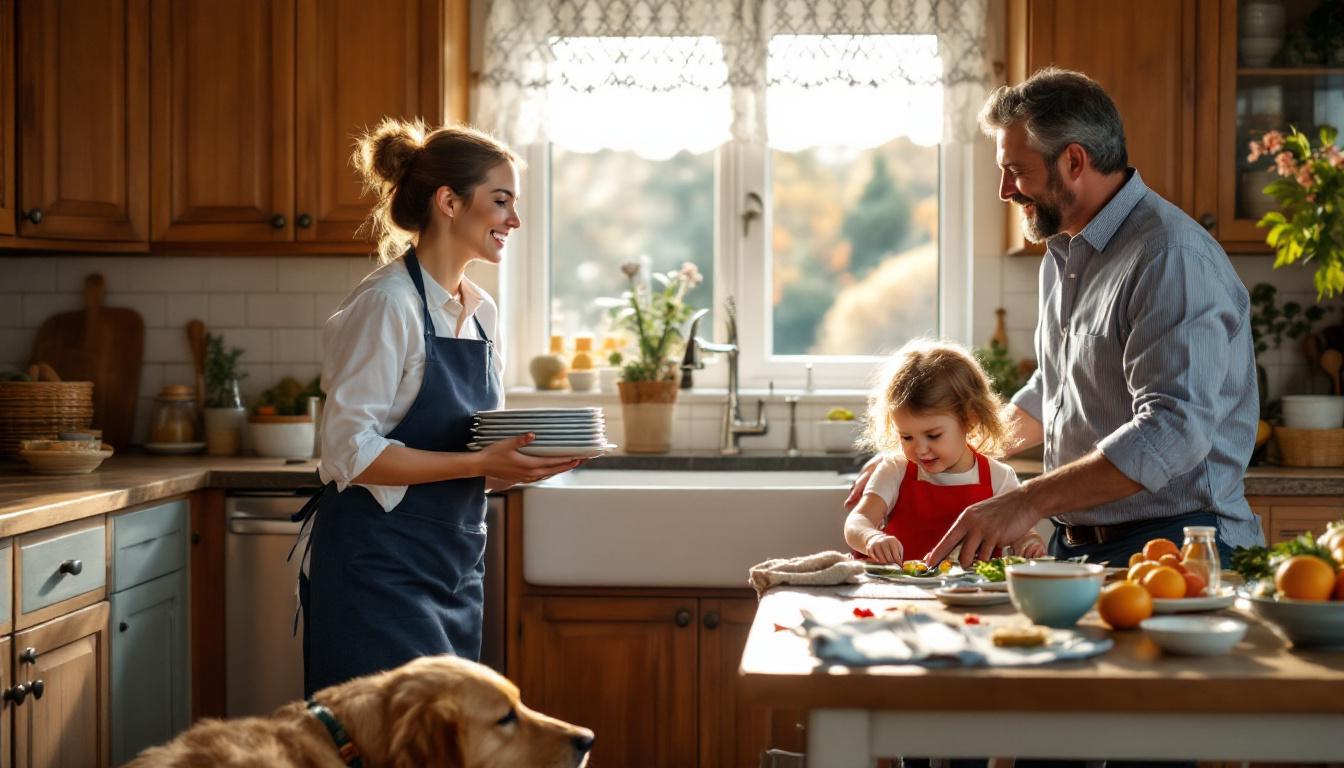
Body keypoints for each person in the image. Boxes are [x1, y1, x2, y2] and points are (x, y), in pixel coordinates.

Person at [293, 118, 582, 697]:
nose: (514, 221)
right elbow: (349, 453)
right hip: (376, 572)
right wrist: (478, 466)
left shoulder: (481, 311)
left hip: (453, 568)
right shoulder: (386, 304)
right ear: (449, 202)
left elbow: (464, 456)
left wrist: (509, 468)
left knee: (444, 743)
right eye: (501, 202)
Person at [843, 339, 1046, 564]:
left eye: (933, 436)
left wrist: (1029, 545)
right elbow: (857, 521)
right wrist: (871, 537)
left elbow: (1023, 533)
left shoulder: (999, 477)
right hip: (903, 592)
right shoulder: (896, 470)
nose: (919, 449)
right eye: (906, 437)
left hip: (971, 595)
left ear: (969, 420)